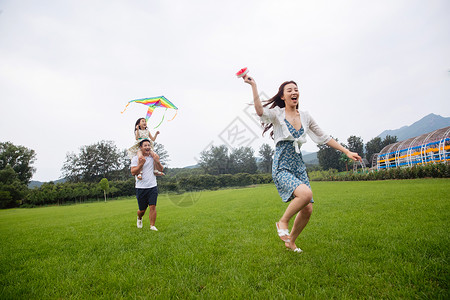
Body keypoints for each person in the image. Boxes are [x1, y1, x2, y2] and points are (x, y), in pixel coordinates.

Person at [242, 74, 362, 253]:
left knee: (307, 210)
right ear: (283, 96)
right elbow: (260, 112)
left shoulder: (305, 116)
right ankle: (282, 221)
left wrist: (346, 151)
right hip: (282, 164)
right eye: (289, 90)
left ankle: (291, 241)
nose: (294, 92)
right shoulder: (277, 114)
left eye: (296, 90)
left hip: (298, 165)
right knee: (305, 194)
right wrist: (254, 86)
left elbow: (324, 137)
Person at [130, 139, 164, 231]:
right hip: (141, 188)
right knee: (142, 210)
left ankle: (152, 226)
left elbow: (161, 169)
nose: (147, 147)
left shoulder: (153, 157)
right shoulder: (136, 159)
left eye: (149, 145)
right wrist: (141, 164)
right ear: (141, 147)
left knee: (152, 206)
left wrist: (157, 161)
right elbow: (133, 172)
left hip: (152, 186)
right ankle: (139, 217)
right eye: (145, 145)